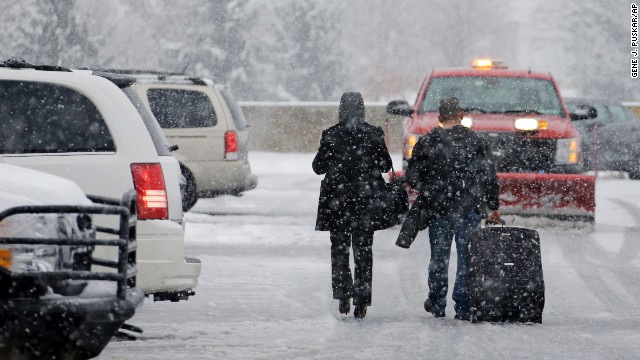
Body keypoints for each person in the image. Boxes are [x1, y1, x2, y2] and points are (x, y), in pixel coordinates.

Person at [406, 97, 501, 321]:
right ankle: (464, 305)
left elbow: (412, 177)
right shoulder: (477, 141)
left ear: (439, 117)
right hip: (470, 208)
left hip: (439, 208)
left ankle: (437, 302)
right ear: (461, 116)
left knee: (439, 257)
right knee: (466, 257)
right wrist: (493, 206)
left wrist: (430, 189)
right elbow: (490, 176)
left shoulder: (428, 141)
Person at [312, 92, 392, 319]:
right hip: (365, 204)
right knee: (363, 252)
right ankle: (361, 302)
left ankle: (343, 297)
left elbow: (318, 167)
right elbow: (386, 166)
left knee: (339, 251)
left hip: (338, 204)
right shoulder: (374, 134)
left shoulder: (331, 135)